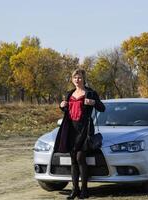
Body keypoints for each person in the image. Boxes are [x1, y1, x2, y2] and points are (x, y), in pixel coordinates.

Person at [53, 68, 105, 199]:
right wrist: (62, 105)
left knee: (80, 158)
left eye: (80, 77)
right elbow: (67, 111)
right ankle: (74, 190)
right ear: (72, 79)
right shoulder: (69, 93)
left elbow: (102, 108)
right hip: (71, 129)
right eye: (75, 77)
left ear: (84, 79)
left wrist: (93, 102)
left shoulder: (90, 93)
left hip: (85, 130)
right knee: (73, 160)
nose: (77, 79)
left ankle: (85, 190)